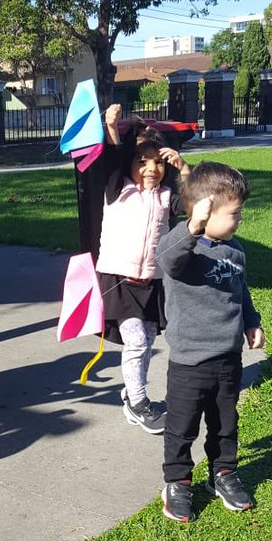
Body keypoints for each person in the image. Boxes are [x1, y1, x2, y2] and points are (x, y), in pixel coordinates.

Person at [157, 162, 265, 523]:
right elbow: (167, 260)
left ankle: (223, 473)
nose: (240, 219)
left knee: (225, 423)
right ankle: (177, 481)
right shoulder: (184, 247)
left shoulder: (234, 250)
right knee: (182, 426)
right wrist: (192, 227)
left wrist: (252, 322)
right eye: (234, 213)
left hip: (228, 359)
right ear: (205, 211)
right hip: (190, 362)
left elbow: (241, 290)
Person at [95, 103, 191, 434]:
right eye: (142, 161)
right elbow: (111, 159)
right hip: (118, 278)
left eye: (158, 163)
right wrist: (110, 127)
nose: (151, 168)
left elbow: (194, 208)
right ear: (130, 164)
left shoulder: (166, 197)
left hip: (152, 280)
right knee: (136, 340)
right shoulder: (117, 190)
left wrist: (184, 170)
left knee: (147, 340)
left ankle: (134, 391)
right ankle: (137, 404)